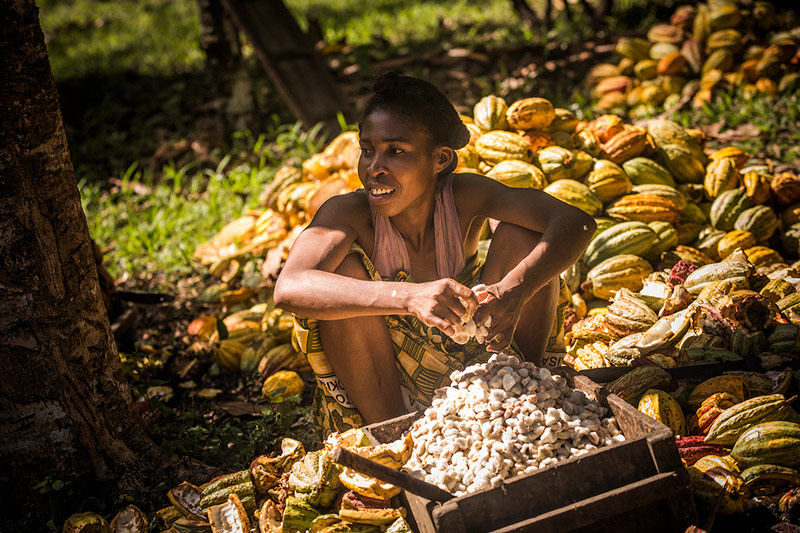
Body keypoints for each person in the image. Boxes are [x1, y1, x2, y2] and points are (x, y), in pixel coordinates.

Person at [274, 73, 596, 436]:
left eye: (396, 152)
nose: (374, 167)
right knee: (341, 274)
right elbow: (290, 287)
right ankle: (394, 437)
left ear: (440, 159)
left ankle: (526, 397)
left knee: (523, 234)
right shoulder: (347, 213)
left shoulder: (464, 196)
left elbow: (575, 222)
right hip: (389, 391)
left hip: (483, 369)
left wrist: (514, 291)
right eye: (367, 150)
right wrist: (409, 297)